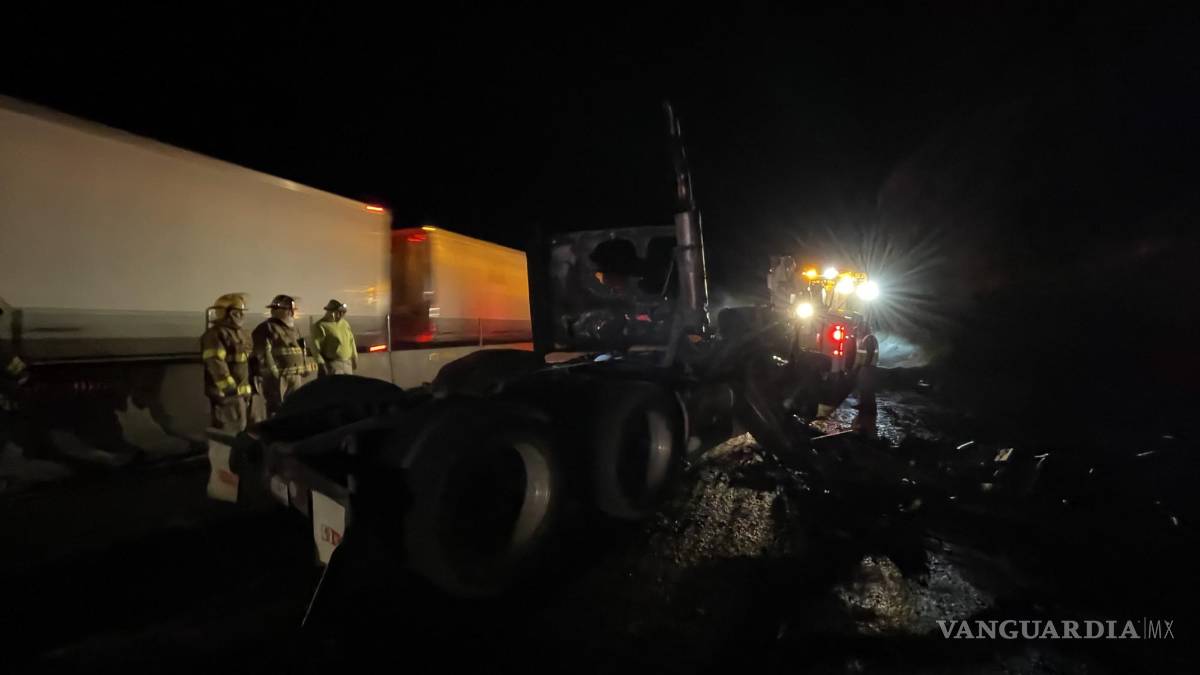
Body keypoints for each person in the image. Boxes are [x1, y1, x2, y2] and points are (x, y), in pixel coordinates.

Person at [252, 294, 315, 417]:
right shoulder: (266, 328)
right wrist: (273, 372)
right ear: (276, 310)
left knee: (294, 406)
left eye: (292, 310)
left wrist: (304, 366)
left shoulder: (294, 329)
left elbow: (301, 348)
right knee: (277, 407)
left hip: (295, 375)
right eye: (289, 310)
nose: (292, 313)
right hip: (278, 377)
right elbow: (263, 353)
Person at [201, 294, 254, 432]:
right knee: (231, 432)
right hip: (228, 397)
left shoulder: (242, 333)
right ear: (232, 313)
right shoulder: (215, 335)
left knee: (243, 432)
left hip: (243, 395)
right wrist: (230, 390)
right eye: (240, 312)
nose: (242, 315)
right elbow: (216, 364)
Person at [310, 299, 358, 376]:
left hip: (347, 364)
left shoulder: (345, 324)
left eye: (343, 312)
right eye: (340, 312)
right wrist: (321, 364)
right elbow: (315, 348)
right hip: (332, 365)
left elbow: (351, 341)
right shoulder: (320, 326)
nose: (342, 315)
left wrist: (354, 356)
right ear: (331, 312)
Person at [851, 316, 879, 436]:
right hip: (865, 367)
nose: (858, 330)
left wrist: (865, 366)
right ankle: (863, 406)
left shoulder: (870, 338)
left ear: (865, 329)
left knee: (868, 389)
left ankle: (871, 411)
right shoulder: (865, 338)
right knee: (863, 388)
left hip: (868, 368)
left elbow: (870, 353)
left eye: (860, 328)